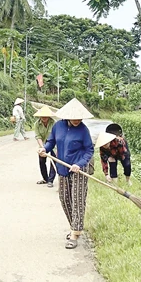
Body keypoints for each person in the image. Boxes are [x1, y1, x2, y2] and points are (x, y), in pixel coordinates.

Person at [38, 98, 94, 249]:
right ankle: (74, 227)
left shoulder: (83, 130)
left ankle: (75, 234)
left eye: (79, 118)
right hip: (62, 168)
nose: (77, 120)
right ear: (67, 116)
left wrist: (79, 164)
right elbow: (51, 142)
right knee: (64, 198)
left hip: (78, 168)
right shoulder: (58, 126)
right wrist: (45, 149)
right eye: (74, 118)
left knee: (77, 200)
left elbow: (89, 150)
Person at [33, 105, 57, 188]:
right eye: (42, 116)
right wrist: (43, 148)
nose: (44, 118)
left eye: (46, 116)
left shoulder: (54, 123)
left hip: (54, 143)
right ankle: (45, 178)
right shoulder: (36, 124)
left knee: (54, 160)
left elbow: (56, 136)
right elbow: (38, 137)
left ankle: (50, 180)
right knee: (41, 161)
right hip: (42, 143)